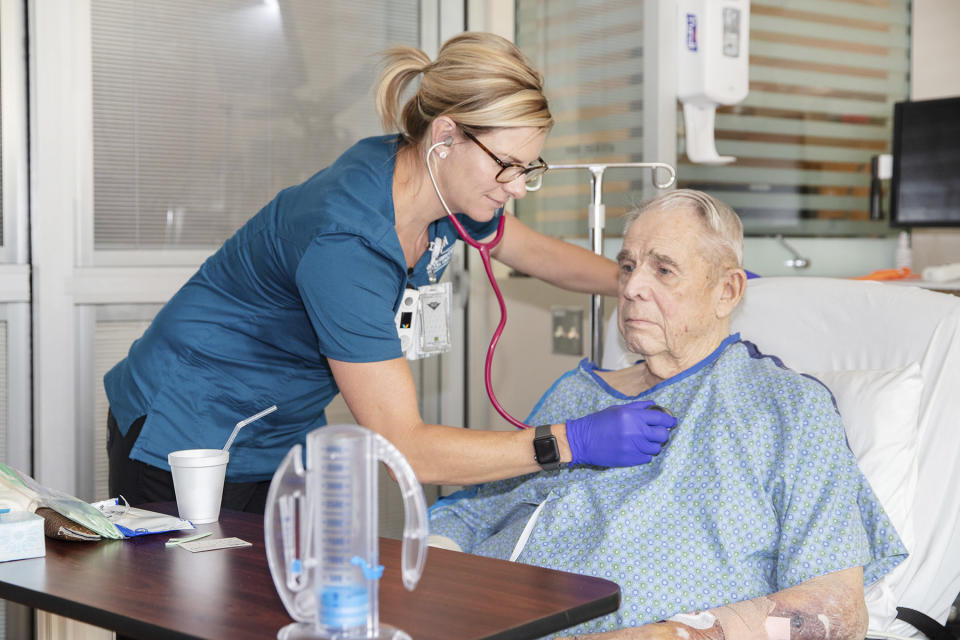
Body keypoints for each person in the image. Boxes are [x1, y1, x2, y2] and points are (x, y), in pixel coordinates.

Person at [103, 32, 677, 513]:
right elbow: (407, 448)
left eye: (530, 168)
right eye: (508, 166)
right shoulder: (346, 242)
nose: (519, 187)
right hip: (186, 431)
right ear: (446, 136)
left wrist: (641, 282)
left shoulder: (441, 194)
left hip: (273, 432)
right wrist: (570, 442)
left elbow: (537, 253)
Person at [428, 189, 908, 639]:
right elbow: (468, 516)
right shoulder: (575, 395)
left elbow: (835, 608)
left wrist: (667, 635)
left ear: (726, 291)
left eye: (664, 270)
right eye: (627, 265)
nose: (632, 286)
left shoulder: (785, 409)